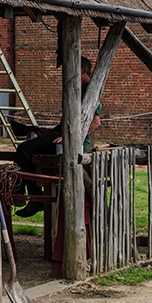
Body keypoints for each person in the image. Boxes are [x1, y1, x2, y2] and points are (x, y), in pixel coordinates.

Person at [15, 56, 101, 216]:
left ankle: (32, 197)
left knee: (24, 149)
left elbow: (95, 121)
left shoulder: (89, 90)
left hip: (72, 142)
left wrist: (72, 138)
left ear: (82, 70)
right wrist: (48, 130)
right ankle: (28, 193)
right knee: (29, 146)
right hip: (63, 136)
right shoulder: (77, 90)